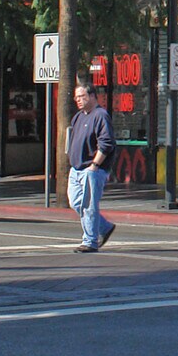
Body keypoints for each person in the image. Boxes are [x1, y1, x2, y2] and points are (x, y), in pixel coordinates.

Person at [66, 78, 117, 254]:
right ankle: (104, 227)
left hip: (91, 169)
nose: (78, 100)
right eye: (76, 97)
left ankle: (90, 241)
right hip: (76, 169)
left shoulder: (100, 115)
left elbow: (106, 143)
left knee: (89, 205)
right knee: (75, 202)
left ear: (92, 96)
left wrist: (95, 165)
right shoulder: (78, 117)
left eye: (81, 96)